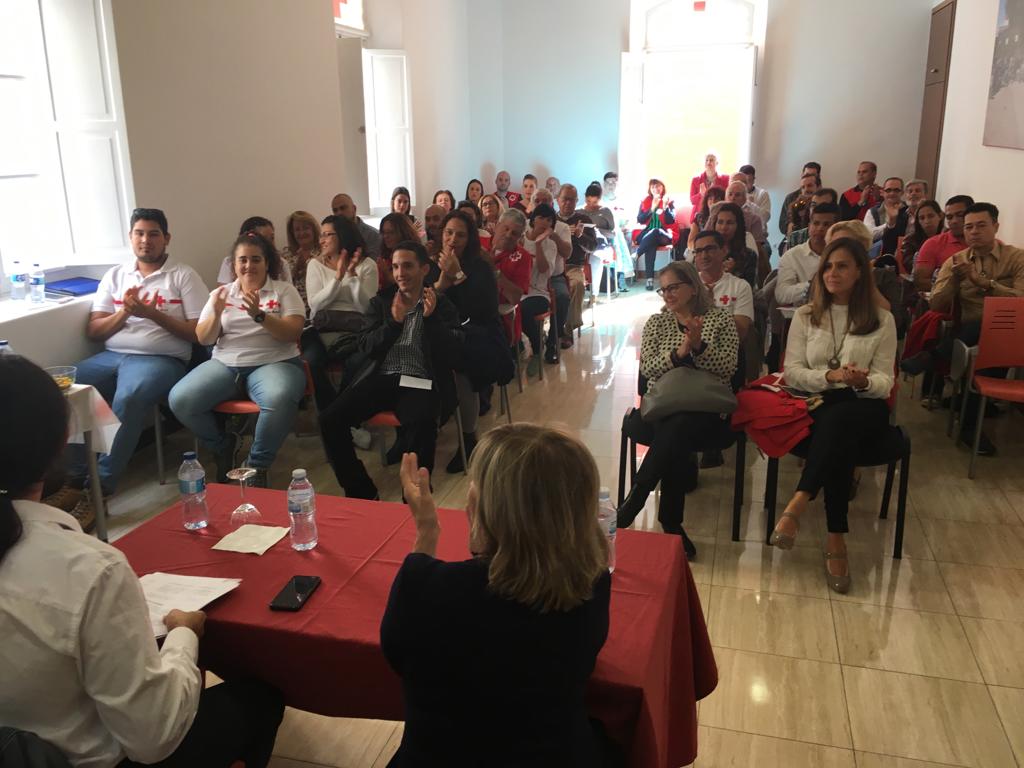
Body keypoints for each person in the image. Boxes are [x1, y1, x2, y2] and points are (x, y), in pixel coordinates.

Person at [0, 355, 285, 768]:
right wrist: (183, 636)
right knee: (258, 698)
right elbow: (153, 737)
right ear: (63, 440)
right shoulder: (89, 569)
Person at [382, 424, 617, 767]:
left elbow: (398, 657)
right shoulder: (592, 583)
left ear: (486, 507)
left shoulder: (425, 586)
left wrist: (427, 532)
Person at [62, 208, 207, 530]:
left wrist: (152, 314)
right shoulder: (115, 275)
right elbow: (94, 331)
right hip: (112, 356)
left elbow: (199, 333)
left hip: (162, 360)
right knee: (68, 387)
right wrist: (125, 313)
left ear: (166, 238)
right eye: (139, 233)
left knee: (129, 398)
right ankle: (74, 481)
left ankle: (99, 489)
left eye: (154, 234)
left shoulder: (183, 275)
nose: (146, 240)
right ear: (130, 238)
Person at [770, 238, 897, 594]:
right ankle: (835, 538)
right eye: (827, 266)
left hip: (867, 407)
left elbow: (885, 382)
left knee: (840, 420)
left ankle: (800, 500)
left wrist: (862, 381)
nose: (832, 273)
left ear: (859, 273)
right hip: (819, 403)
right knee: (838, 432)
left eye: (842, 266)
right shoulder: (806, 315)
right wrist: (831, 376)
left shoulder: (882, 320)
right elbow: (793, 372)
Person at [318, 241, 462, 500]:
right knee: (330, 420)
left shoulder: (440, 304)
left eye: (407, 266)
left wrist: (431, 321)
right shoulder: (382, 303)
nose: (400, 273)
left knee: (421, 421)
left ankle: (415, 499)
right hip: (383, 378)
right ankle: (362, 492)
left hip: (421, 381)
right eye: (395, 267)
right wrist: (394, 323)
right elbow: (366, 347)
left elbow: (454, 353)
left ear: (424, 269)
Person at [616, 261, 739, 559]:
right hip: (663, 406)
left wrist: (699, 347)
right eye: (663, 289)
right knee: (676, 426)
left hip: (708, 411)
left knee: (678, 425)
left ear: (693, 287)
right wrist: (680, 352)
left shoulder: (720, 319)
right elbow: (649, 368)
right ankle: (670, 523)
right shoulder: (657, 323)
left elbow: (728, 368)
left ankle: (635, 501)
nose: (667, 294)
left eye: (673, 287)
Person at [169, 232, 306, 488]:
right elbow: (204, 338)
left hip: (276, 362)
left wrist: (260, 316)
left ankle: (256, 466)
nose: (248, 265)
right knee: (181, 399)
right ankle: (222, 446)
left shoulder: (283, 290)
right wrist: (216, 312)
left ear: (267, 263)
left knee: (279, 397)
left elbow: (292, 333)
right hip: (225, 364)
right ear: (234, 265)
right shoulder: (220, 294)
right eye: (243, 260)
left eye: (256, 259)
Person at [903, 203, 1024, 454]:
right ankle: (970, 426)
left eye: (981, 225)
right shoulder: (955, 262)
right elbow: (936, 304)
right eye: (969, 227)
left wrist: (985, 283)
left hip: (1016, 331)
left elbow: (1022, 300)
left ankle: (935, 357)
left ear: (996, 226)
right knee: (983, 341)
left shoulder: (1016, 258)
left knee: (990, 326)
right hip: (975, 336)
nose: (974, 232)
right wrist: (954, 282)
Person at [433, 210, 505, 473]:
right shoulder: (431, 262)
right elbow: (425, 301)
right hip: (441, 332)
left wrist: (458, 276)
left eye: (460, 235)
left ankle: (469, 436)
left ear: (470, 238)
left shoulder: (480, 266)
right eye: (449, 233)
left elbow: (482, 310)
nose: (453, 239)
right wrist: (441, 283)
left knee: (461, 365)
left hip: (479, 333)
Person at [303, 215, 377, 411]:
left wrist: (351, 276)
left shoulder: (367, 265)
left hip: (355, 332)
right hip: (322, 331)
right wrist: (337, 278)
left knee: (360, 361)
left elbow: (366, 308)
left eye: (328, 235)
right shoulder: (315, 265)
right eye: (321, 235)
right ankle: (333, 412)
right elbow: (315, 305)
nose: (322, 240)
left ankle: (342, 412)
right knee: (310, 362)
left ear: (343, 236)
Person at [776, 203, 842, 306]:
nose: (820, 228)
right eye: (816, 223)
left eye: (826, 224)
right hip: (805, 312)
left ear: (836, 228)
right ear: (809, 225)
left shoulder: (844, 256)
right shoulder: (792, 256)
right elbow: (781, 295)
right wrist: (811, 286)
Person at [521, 203, 559, 376]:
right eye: (541, 218)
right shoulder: (521, 238)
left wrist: (538, 244)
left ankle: (537, 349)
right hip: (517, 291)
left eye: (549, 220)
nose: (544, 222)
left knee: (523, 310)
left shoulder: (550, 245)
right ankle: (517, 349)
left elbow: (544, 270)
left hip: (539, 293)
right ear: (533, 219)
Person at [557, 183, 597, 344]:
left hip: (573, 266)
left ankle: (567, 330)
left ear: (577, 201)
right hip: (553, 267)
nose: (568, 203)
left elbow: (593, 247)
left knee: (577, 285)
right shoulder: (551, 219)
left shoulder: (584, 220)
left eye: (572, 200)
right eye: (565, 199)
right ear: (558, 199)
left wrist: (580, 236)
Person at [912, 194, 973, 293]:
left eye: (960, 215)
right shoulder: (933, 244)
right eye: (949, 217)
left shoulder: (991, 245)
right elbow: (920, 282)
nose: (954, 221)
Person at [491, 208, 532, 346]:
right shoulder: (479, 245)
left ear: (520, 237)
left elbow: (515, 298)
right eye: (506, 228)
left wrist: (494, 271)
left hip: (501, 317)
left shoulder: (523, 257)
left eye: (514, 233)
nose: (508, 235)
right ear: (497, 226)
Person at [636, 178, 676, 290]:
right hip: (647, 235)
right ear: (650, 189)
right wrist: (652, 208)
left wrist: (665, 207)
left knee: (655, 231)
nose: (655, 189)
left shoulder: (669, 201)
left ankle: (637, 254)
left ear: (662, 187)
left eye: (658, 186)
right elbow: (640, 219)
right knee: (651, 242)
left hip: (663, 234)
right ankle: (649, 280)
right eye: (653, 186)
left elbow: (671, 220)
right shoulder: (645, 201)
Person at [217, 216, 281, 285]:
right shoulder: (229, 262)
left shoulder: (282, 263)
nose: (270, 243)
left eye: (272, 238)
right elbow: (223, 289)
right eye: (264, 239)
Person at [709, 202, 757, 288]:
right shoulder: (705, 252)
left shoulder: (749, 255)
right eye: (720, 222)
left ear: (738, 226)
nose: (724, 227)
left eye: (729, 223)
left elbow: (748, 288)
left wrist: (732, 274)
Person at [281, 210, 321, 315]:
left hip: (319, 308)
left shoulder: (324, 252)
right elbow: (282, 284)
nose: (302, 233)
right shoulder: (286, 254)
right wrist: (297, 268)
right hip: (293, 309)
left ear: (313, 229)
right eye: (297, 230)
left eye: (306, 228)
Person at [582, 181, 618, 294]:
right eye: (588, 201)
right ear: (585, 198)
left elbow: (613, 233)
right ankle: (580, 289)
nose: (591, 205)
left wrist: (599, 230)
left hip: (601, 245)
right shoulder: (579, 211)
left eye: (595, 202)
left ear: (600, 199)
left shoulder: (605, 211)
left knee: (595, 258)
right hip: (582, 243)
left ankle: (594, 293)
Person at [863, 177, 909, 257]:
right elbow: (868, 234)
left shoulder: (908, 210)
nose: (892, 193)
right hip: (877, 256)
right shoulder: (872, 212)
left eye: (896, 190)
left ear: (902, 193)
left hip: (904, 253)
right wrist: (890, 224)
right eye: (888, 190)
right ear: (882, 192)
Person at [901, 199, 945, 282]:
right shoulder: (910, 240)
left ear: (940, 216)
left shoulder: (949, 236)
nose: (927, 221)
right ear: (918, 221)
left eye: (931, 216)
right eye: (922, 218)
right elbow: (909, 265)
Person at [331, 193, 383, 261]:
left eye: (343, 208)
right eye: (335, 210)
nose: (339, 213)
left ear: (354, 209)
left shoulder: (373, 236)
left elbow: (372, 264)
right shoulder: (334, 237)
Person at [784, 187, 838, 252]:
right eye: (813, 205)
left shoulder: (841, 237)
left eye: (823, 205)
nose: (816, 209)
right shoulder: (795, 238)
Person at [379, 211, 422, 290]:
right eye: (384, 232)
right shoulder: (385, 256)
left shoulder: (413, 254)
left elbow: (406, 282)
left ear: (403, 232)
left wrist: (386, 272)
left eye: (391, 232)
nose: (385, 236)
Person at [778, 161, 822, 236]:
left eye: (812, 175)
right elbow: (782, 226)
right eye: (803, 187)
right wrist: (790, 225)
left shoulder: (825, 198)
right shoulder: (791, 198)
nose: (806, 189)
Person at [689, 152, 730, 223]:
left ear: (717, 163)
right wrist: (701, 194)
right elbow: (692, 201)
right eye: (706, 160)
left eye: (711, 160)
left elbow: (727, 198)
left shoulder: (725, 179)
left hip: (719, 215)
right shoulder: (696, 180)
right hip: (700, 216)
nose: (708, 162)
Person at [686, 186, 727, 253]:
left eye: (717, 199)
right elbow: (690, 242)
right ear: (706, 201)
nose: (713, 201)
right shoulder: (699, 218)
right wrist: (701, 248)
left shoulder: (726, 217)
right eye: (710, 199)